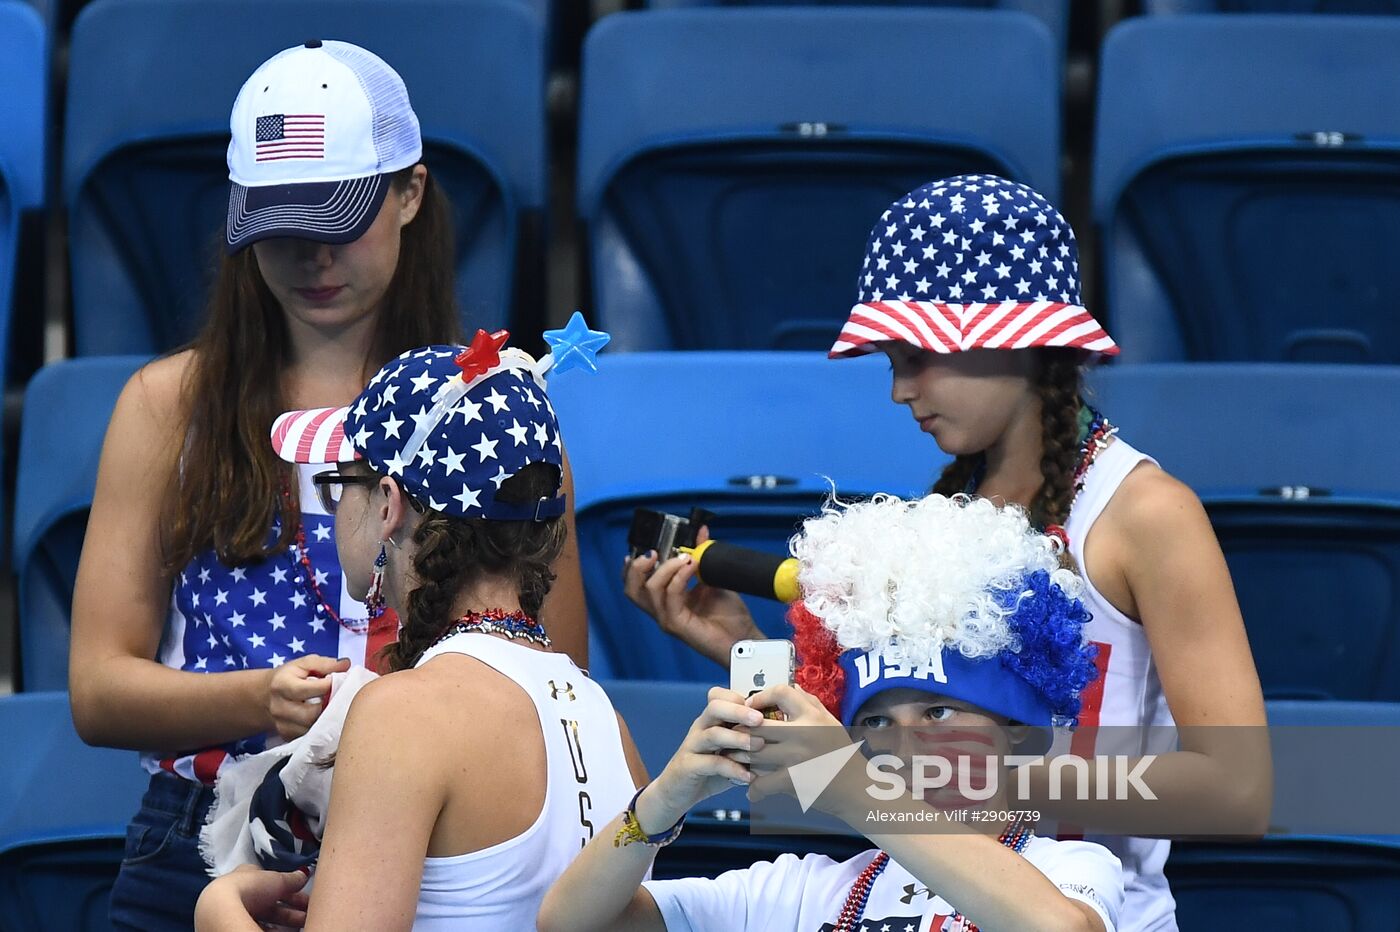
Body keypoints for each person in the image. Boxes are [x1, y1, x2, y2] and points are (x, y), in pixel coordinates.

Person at [623, 175, 1270, 930]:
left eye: (916, 356)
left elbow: (1237, 791)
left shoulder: (1148, 513)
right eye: (891, 361)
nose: (899, 391)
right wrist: (743, 646)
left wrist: (980, 779)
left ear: (1012, 337)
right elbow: (914, 734)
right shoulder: (949, 507)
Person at [68, 41, 588, 930]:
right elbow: (97, 688)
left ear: (410, 194)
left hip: (433, 834)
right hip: (198, 835)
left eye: (339, 220)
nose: (313, 256)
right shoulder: (166, 408)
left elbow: (554, 676)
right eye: (280, 227)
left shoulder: (496, 413)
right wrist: (258, 696)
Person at [195, 337, 642, 929]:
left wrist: (219, 914)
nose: (333, 509)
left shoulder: (402, 716)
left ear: (388, 504)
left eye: (340, 484)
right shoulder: (610, 725)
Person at [542, 493, 1124, 932]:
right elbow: (571, 922)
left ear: (1017, 730)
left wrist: (850, 785)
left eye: (939, 713)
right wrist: (664, 801)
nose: (903, 747)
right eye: (876, 721)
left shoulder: (1072, 867)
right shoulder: (803, 889)